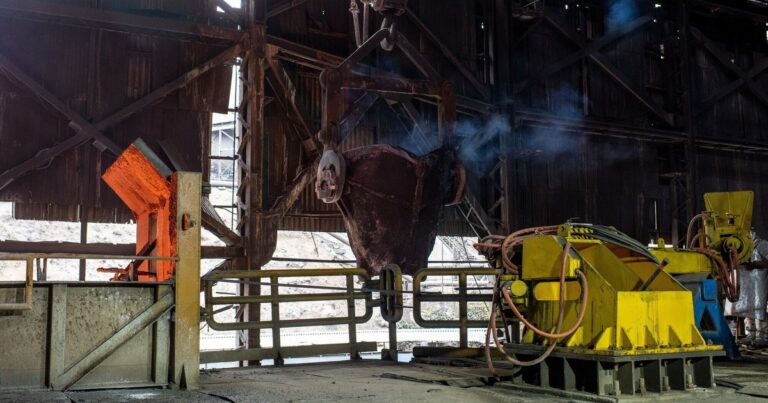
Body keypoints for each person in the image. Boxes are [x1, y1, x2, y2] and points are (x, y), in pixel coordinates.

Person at [726, 229, 768, 347]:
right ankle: (751, 335)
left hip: (759, 280)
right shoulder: (740, 245)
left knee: (758, 308)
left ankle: (763, 336)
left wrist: (755, 264)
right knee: (747, 307)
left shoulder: (761, 245)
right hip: (746, 281)